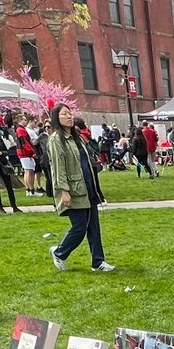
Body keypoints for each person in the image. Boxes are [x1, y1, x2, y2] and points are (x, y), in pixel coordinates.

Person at [46, 103, 115, 273]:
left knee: (94, 227)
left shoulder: (77, 136)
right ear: (57, 118)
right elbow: (58, 167)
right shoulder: (56, 139)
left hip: (88, 187)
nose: (69, 117)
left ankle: (98, 261)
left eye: (70, 113)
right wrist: (64, 190)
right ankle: (60, 252)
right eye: (64, 114)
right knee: (79, 227)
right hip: (74, 189)